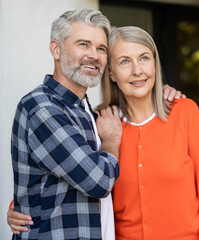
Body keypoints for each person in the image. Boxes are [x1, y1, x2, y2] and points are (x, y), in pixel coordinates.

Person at [7, 9, 183, 240]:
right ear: (56, 49)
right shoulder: (42, 108)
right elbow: (98, 181)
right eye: (83, 44)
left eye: (101, 48)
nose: (94, 55)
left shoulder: (88, 110)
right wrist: (111, 140)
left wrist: (157, 93)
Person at [100, 26, 199, 239]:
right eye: (124, 61)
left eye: (144, 58)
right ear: (111, 72)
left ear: (155, 64)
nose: (137, 70)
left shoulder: (186, 113)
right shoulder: (102, 125)